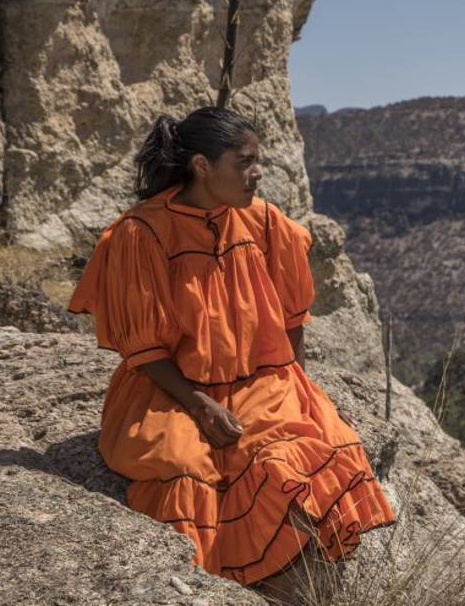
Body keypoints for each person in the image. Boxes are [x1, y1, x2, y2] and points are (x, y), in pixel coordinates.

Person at [67, 106, 397, 603]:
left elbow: (292, 318)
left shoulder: (263, 222)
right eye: (243, 161)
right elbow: (144, 348)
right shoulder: (143, 233)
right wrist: (200, 403)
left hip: (262, 382)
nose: (257, 172)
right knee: (184, 468)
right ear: (202, 166)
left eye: (257, 159)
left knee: (289, 463)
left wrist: (294, 388)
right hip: (170, 390)